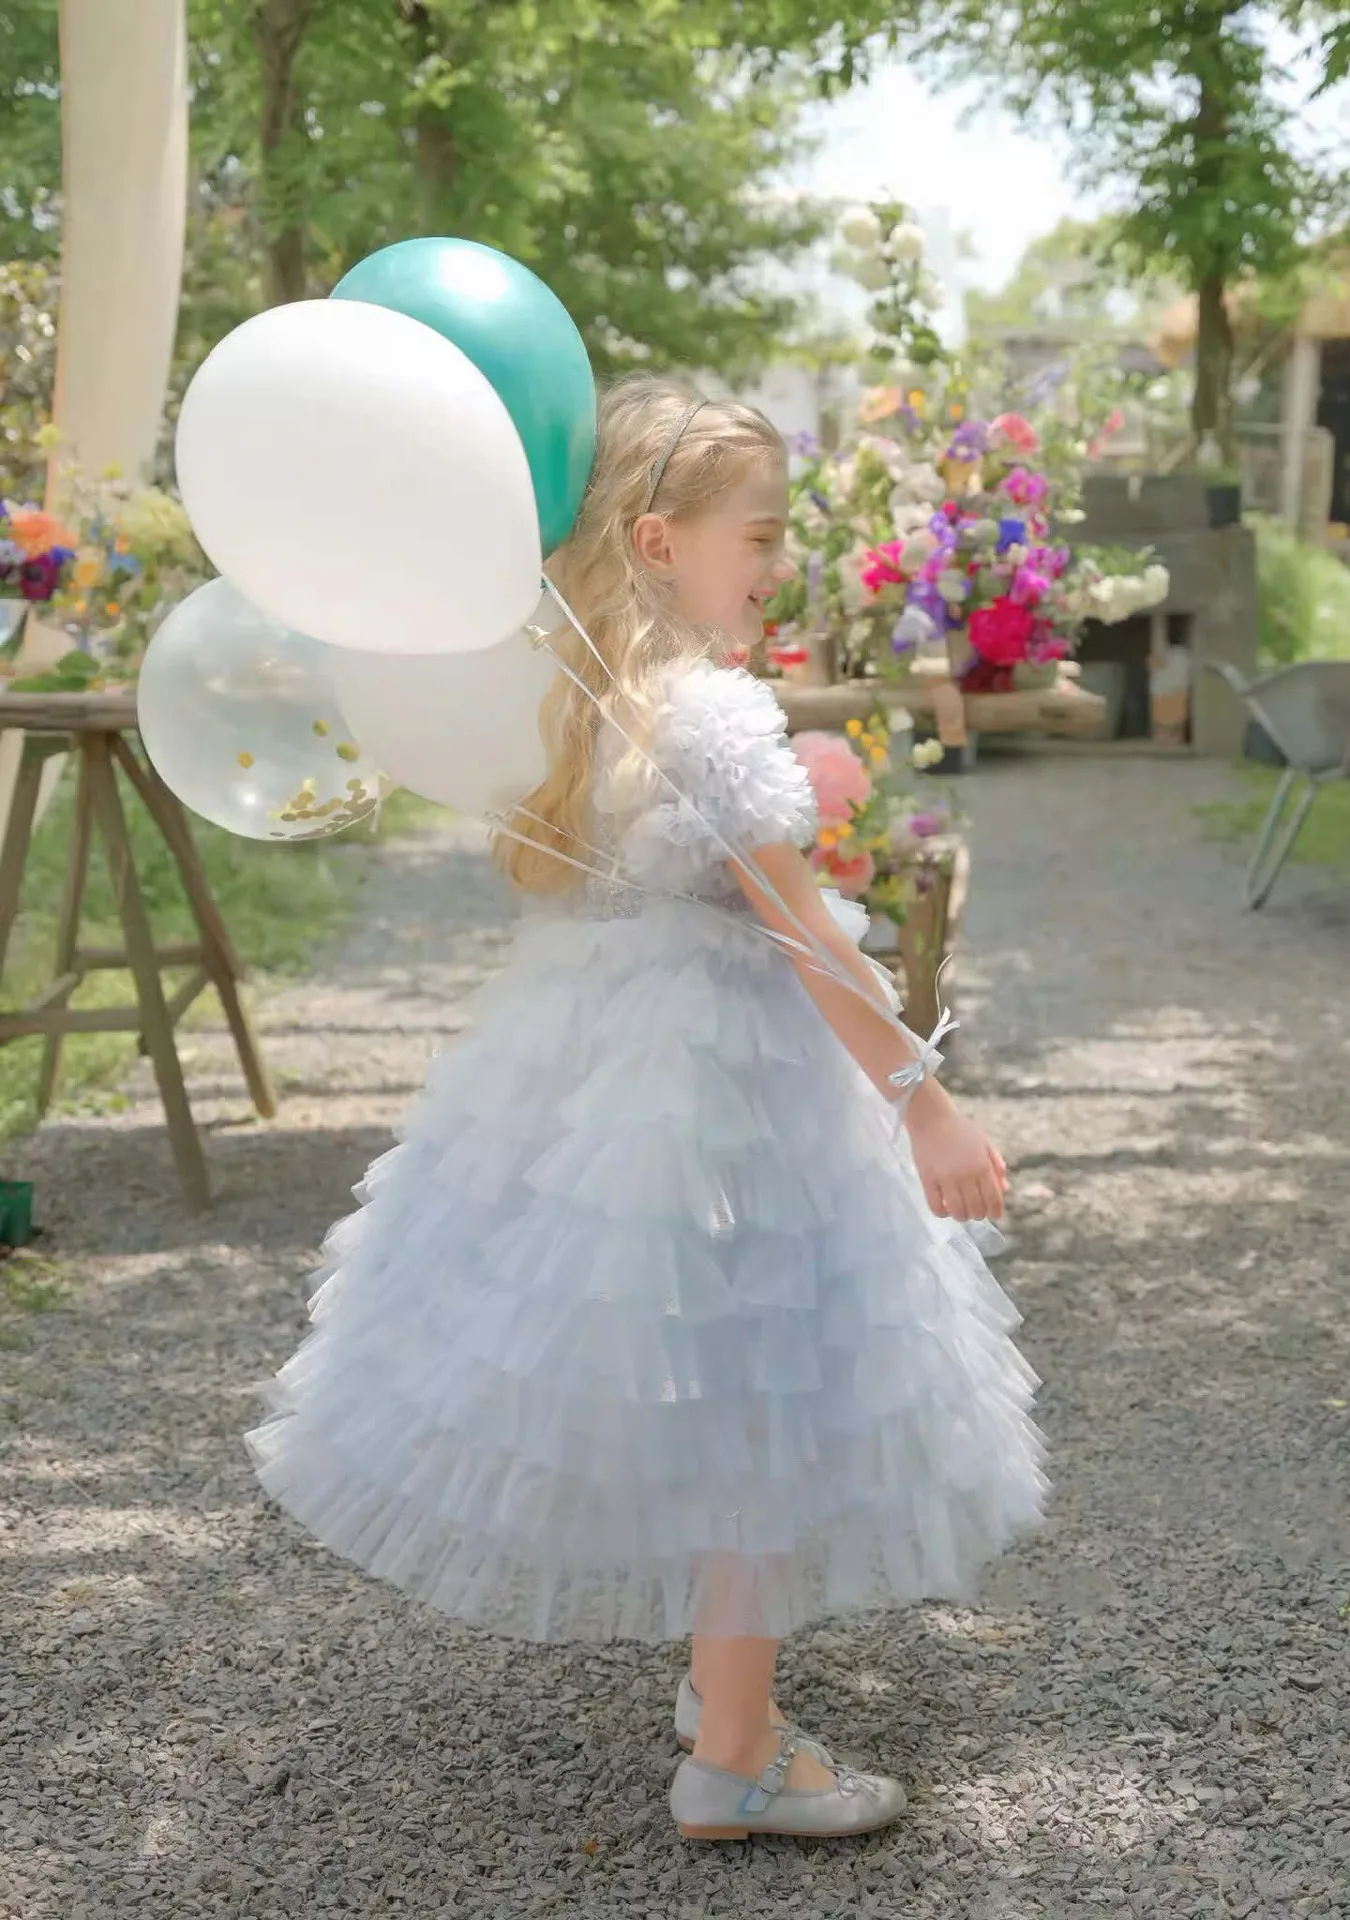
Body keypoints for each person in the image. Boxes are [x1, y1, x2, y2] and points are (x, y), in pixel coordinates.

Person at [245, 375, 1047, 1842]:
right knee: (761, 1397)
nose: (778, 560)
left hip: (590, 1088)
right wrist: (924, 1102)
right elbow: (805, 933)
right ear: (663, 540)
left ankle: (717, 1693)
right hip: (719, 1102)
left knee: (710, 1384)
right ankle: (734, 1754)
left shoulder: (584, 700)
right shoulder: (710, 715)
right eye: (760, 532)